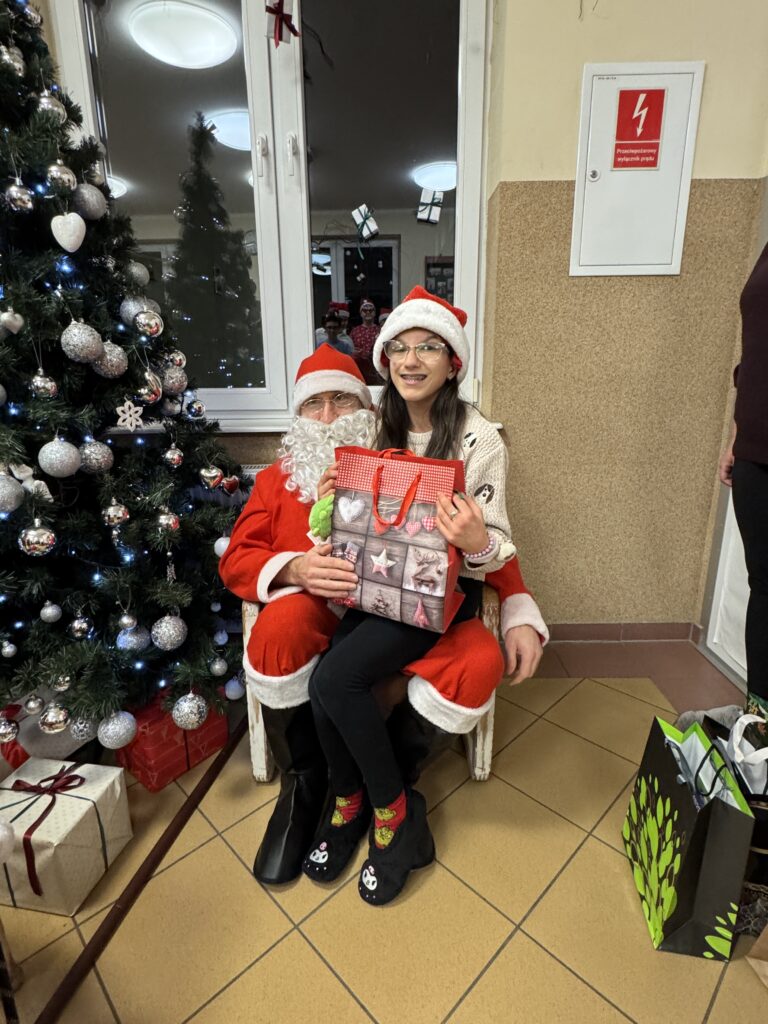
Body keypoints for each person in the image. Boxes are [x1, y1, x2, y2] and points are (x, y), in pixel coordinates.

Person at [219, 343, 548, 887]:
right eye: (314, 403)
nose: (329, 416)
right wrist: (296, 568)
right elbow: (236, 559)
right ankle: (309, 784)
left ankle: (386, 791)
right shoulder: (275, 480)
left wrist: (517, 608)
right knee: (287, 637)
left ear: (368, 407)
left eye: (343, 400)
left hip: (409, 605)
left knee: (471, 659)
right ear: (298, 414)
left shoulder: (394, 453)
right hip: (327, 614)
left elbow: (481, 532)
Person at [303, 287, 518, 906]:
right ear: (385, 361)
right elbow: (341, 528)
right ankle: (350, 805)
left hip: (438, 596)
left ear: (453, 362)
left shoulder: (480, 439)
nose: (411, 360)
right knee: (325, 682)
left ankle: (391, 815)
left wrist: (476, 540)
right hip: (375, 586)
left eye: (428, 347)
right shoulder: (375, 427)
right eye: (398, 348)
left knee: (336, 679)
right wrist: (330, 500)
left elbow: (499, 548)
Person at [718, 242, 768, 702]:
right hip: (755, 447)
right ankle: (760, 721)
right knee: (764, 588)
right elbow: (755, 355)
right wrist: (738, 433)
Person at [350, 298, 381, 383]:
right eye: (365, 310)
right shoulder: (355, 331)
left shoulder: (380, 330)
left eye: (371, 310)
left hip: (375, 368)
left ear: (375, 313)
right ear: (361, 313)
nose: (368, 312)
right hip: (359, 368)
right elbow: (351, 349)